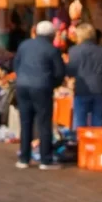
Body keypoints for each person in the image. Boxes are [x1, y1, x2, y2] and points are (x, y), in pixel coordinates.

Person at [13, 20, 67, 170]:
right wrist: (52, 84)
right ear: (52, 35)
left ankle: (24, 158)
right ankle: (45, 160)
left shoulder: (24, 45)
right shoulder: (52, 50)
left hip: (22, 86)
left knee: (25, 122)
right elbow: (59, 72)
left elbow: (16, 65)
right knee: (43, 123)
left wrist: (22, 78)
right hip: (42, 87)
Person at [67, 23, 102, 129]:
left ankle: (81, 144)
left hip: (82, 89)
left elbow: (70, 71)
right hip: (99, 89)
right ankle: (96, 145)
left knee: (79, 125)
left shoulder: (74, 51)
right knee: (98, 125)